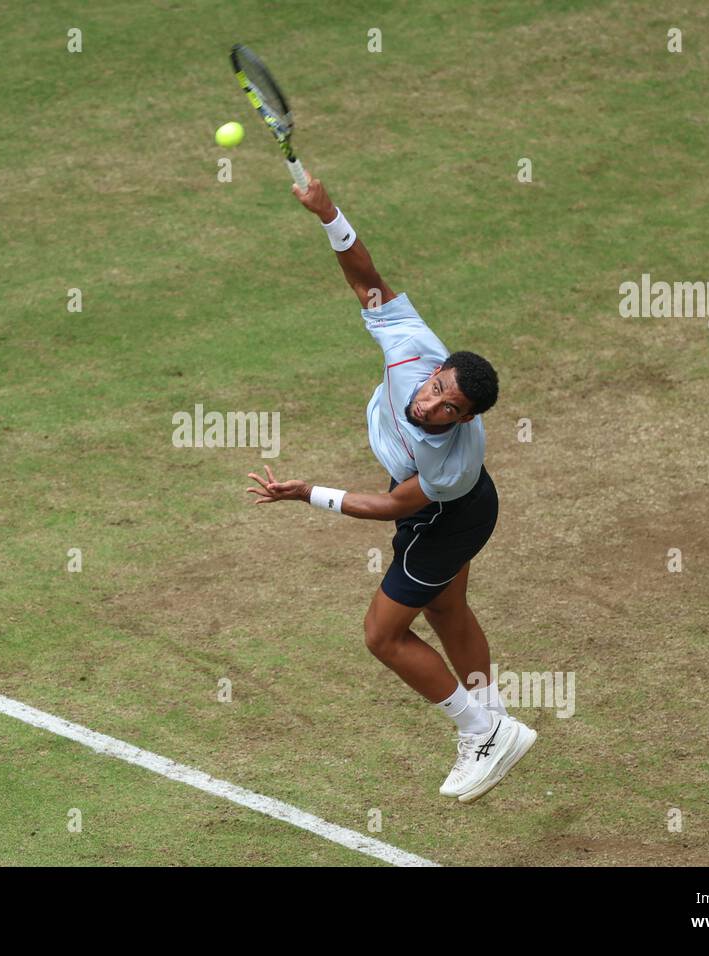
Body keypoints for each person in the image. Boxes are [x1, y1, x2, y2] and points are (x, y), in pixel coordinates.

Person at [246, 177, 536, 803]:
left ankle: (479, 731)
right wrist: (329, 215)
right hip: (461, 507)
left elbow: (390, 508)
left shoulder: (447, 462)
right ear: (435, 370)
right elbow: (365, 278)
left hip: (446, 515)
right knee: (448, 608)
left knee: (383, 635)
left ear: (463, 420)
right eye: (436, 389)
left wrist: (308, 493)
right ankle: (497, 722)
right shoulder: (411, 347)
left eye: (447, 408)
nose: (429, 405)